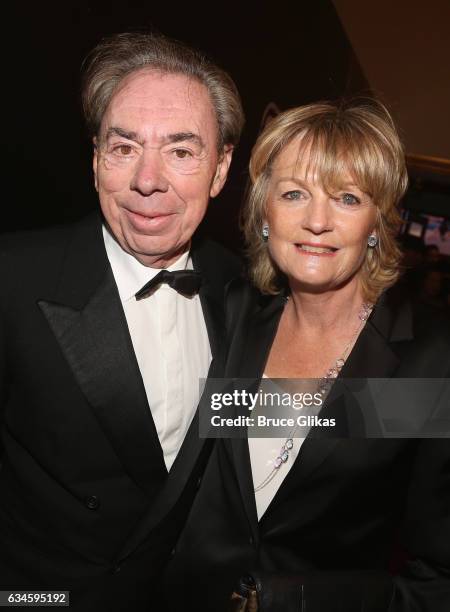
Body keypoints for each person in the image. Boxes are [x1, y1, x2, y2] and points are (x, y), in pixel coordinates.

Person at [164, 100, 450, 611]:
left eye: (346, 197)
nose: (316, 221)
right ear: (264, 212)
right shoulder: (232, 320)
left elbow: (437, 578)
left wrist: (293, 599)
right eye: (294, 193)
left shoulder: (425, 363)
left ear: (378, 222)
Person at [0, 32, 243, 610]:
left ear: (219, 168)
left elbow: (309, 424)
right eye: (125, 147)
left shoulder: (244, 290)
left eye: (181, 151)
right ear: (95, 158)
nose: (148, 180)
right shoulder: (12, 280)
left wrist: (425, 407)